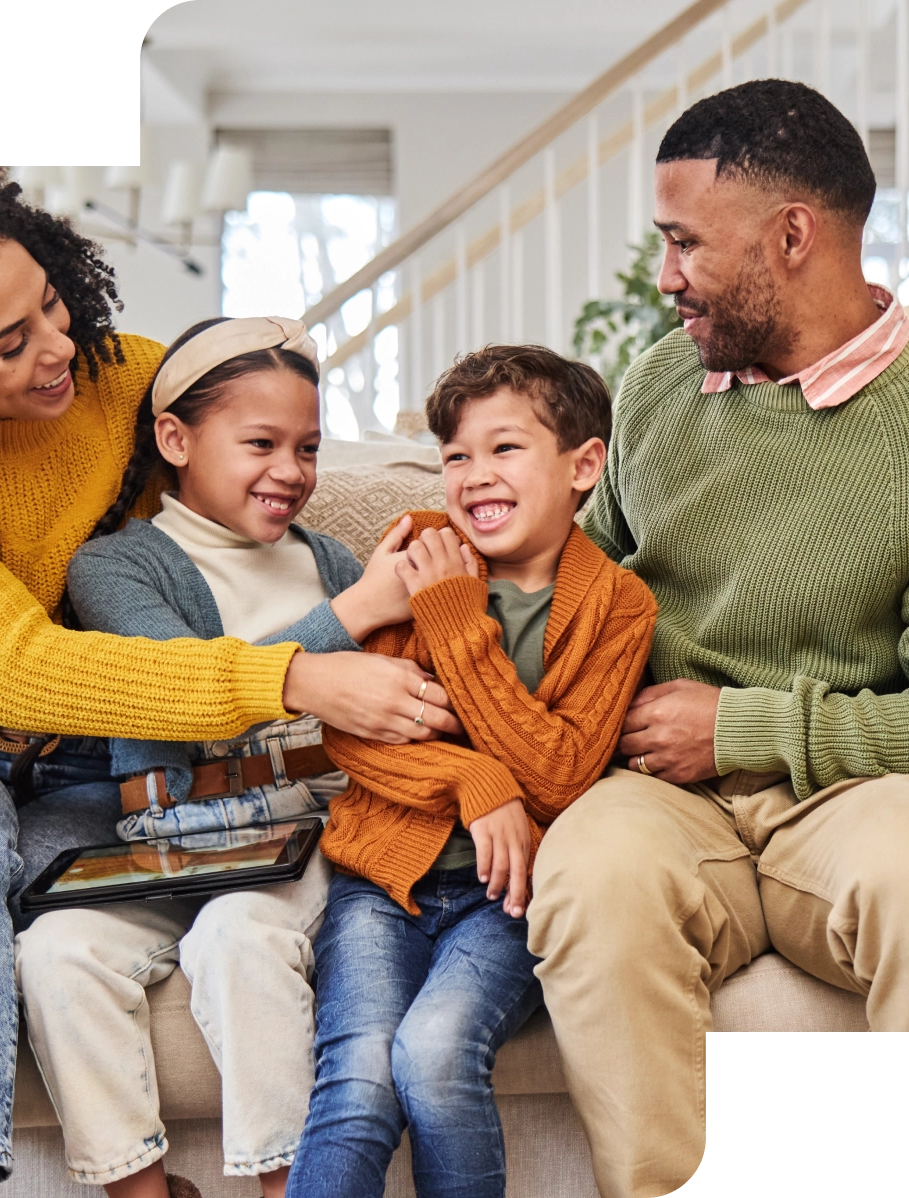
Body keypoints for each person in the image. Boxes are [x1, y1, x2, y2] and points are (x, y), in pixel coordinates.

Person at [0, 164, 458, 1198]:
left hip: (80, 789)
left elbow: (247, 443)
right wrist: (295, 677)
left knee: (100, 894)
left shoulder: (121, 381)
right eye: (9, 345)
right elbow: (16, 670)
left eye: (50, 303)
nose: (57, 349)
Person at [525, 80, 909, 1198]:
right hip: (662, 792)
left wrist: (744, 725)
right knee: (590, 875)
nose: (663, 277)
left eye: (682, 243)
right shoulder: (662, 382)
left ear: (792, 235)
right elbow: (593, 581)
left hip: (849, 796)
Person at [16, 315, 421, 1198]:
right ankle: (144, 1192)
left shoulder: (335, 559)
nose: (292, 472)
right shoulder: (115, 569)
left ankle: (286, 1185)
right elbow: (186, 696)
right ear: (176, 439)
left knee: (239, 936)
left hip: (306, 836)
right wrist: (351, 619)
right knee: (54, 950)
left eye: (308, 447)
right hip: (169, 838)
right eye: (261, 443)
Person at [286, 345, 658, 1198]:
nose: (474, 475)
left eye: (504, 448)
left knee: (435, 1052)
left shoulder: (619, 607)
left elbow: (562, 775)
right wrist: (473, 781)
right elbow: (358, 732)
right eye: (456, 454)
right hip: (380, 881)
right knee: (359, 1086)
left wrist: (456, 624)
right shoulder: (420, 550)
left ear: (583, 465)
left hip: (514, 896)